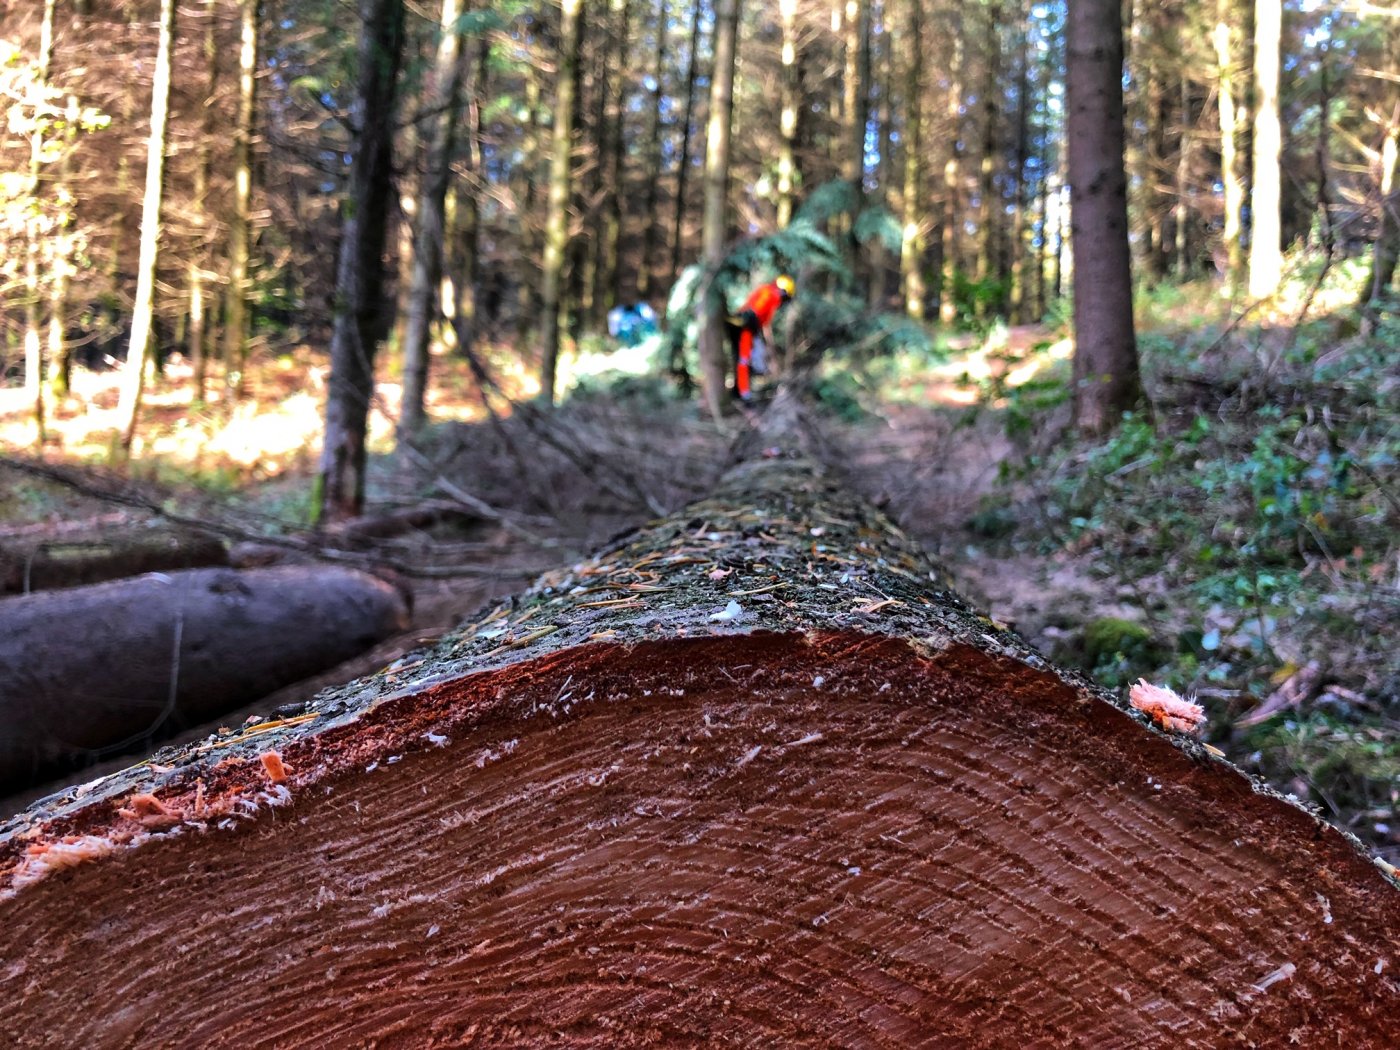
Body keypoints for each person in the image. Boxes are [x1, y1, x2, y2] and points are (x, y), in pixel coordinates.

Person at [725, 274, 794, 400]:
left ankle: (738, 391)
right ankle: (743, 394)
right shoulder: (771, 294)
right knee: (744, 361)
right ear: (783, 292)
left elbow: (762, 321)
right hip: (745, 328)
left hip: (746, 327)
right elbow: (754, 314)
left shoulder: (767, 291)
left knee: (743, 359)